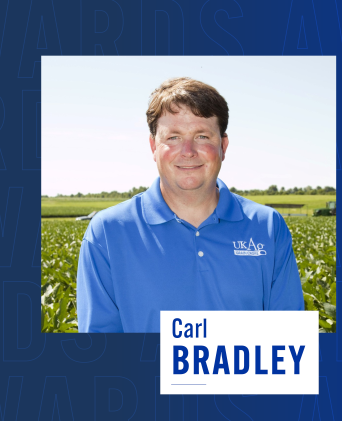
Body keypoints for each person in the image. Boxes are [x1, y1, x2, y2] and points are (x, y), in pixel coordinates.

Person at [77, 77, 304, 332]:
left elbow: (288, 340)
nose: (188, 151)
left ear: (223, 146)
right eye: (173, 137)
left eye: (202, 136)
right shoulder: (107, 233)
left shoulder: (268, 227)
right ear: (153, 146)